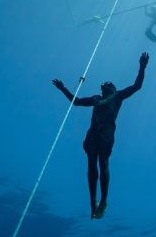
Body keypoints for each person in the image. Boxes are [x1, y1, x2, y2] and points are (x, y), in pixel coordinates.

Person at [52, 52, 149, 219]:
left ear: (113, 88)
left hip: (106, 133)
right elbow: (76, 101)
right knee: (91, 164)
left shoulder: (118, 96)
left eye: (108, 84)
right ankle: (93, 202)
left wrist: (142, 66)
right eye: (102, 84)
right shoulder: (96, 98)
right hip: (93, 134)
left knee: (103, 162)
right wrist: (63, 89)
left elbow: (136, 86)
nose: (104, 85)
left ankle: (103, 201)